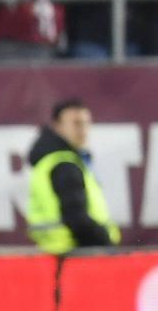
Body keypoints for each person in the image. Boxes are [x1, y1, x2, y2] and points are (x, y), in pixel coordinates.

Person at [25, 97, 120, 253]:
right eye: (76, 123)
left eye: (86, 123)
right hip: (78, 252)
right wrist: (105, 243)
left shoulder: (51, 160)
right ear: (57, 126)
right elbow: (76, 218)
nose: (83, 130)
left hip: (59, 252)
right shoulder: (64, 164)